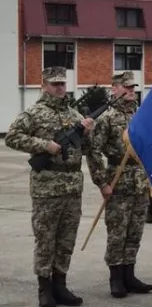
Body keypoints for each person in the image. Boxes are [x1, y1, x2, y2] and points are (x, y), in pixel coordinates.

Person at [5, 66, 94, 307]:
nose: (60, 88)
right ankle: (44, 289)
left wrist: (87, 133)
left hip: (72, 187)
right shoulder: (34, 113)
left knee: (66, 240)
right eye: (55, 84)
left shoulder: (75, 115)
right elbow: (12, 136)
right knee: (45, 240)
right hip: (46, 188)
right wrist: (44, 145)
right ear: (44, 85)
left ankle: (60, 285)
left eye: (62, 84)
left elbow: (86, 150)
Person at [86, 71, 152, 298]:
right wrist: (102, 183)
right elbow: (93, 152)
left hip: (140, 180)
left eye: (134, 88)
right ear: (114, 89)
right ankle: (115, 278)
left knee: (135, 231)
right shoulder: (107, 118)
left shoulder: (141, 115)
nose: (132, 91)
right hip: (118, 179)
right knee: (118, 232)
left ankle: (129, 274)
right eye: (127, 87)